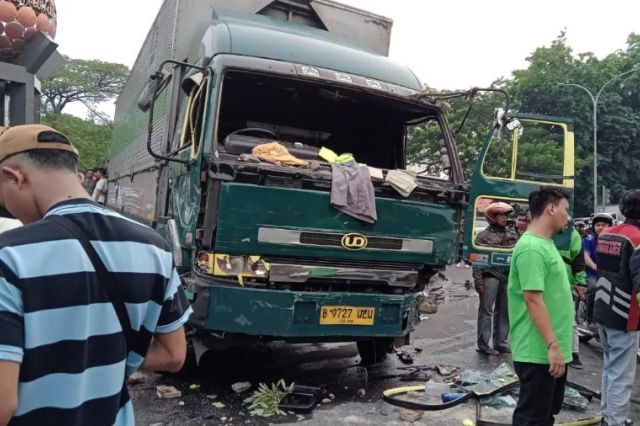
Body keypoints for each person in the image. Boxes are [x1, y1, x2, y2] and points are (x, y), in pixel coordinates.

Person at [0, 125, 192, 425]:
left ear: (14, 176)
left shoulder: (8, 255)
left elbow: (2, 405)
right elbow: (173, 354)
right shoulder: (156, 247)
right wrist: (99, 359)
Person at [508, 186, 573, 426]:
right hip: (539, 351)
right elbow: (533, 299)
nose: (568, 216)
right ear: (551, 208)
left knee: (547, 415)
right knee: (532, 418)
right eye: (566, 210)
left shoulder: (546, 244)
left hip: (553, 351)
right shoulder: (532, 248)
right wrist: (552, 346)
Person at [593, 189, 640, 426]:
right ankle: (617, 421)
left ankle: (608, 416)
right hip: (625, 315)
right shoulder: (637, 239)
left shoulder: (607, 234)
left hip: (603, 310)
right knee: (621, 373)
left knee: (610, 368)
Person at [473, 202, 518, 355]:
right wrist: (478, 281)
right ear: (493, 216)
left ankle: (501, 343)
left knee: (505, 311)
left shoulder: (512, 234)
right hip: (490, 275)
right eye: (502, 215)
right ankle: (484, 344)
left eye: (506, 215)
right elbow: (477, 260)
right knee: (486, 311)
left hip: (508, 275)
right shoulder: (482, 236)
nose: (505, 218)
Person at [557, 227, 587, 369]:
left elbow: (578, 259)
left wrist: (580, 281)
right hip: (544, 282)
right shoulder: (540, 229)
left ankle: (574, 353)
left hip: (567, 283)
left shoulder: (572, 233)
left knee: (571, 319)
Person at [583, 213, 614, 327]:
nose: (600, 227)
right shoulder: (589, 239)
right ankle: (589, 320)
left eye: (604, 225)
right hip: (591, 274)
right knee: (596, 288)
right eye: (598, 225)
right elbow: (586, 256)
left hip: (608, 274)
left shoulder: (614, 240)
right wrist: (596, 267)